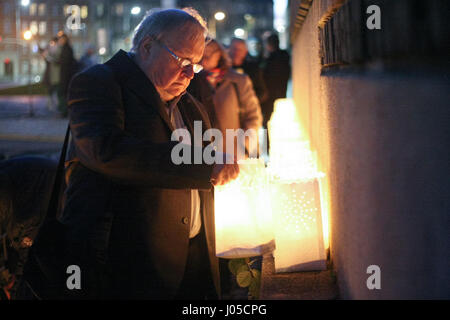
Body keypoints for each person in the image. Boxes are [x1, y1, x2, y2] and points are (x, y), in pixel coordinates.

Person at [58, 8, 239, 299]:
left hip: (192, 266)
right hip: (125, 271)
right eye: (182, 60)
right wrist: (204, 166)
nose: (190, 73)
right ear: (146, 47)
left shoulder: (191, 105)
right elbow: (107, 152)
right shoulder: (100, 83)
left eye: (196, 64)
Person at [196, 39, 263, 158]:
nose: (204, 58)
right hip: (208, 157)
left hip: (237, 154)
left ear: (219, 54)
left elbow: (253, 116)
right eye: (201, 53)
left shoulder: (238, 81)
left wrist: (243, 146)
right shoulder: (193, 82)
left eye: (209, 53)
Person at [261, 32, 291, 128]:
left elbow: (266, 76)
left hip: (269, 95)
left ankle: (267, 143)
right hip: (281, 93)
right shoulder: (285, 56)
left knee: (268, 121)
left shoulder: (269, 59)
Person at [228, 38, 267, 105]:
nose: (236, 52)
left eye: (239, 50)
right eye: (234, 49)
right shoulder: (223, 69)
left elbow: (262, 92)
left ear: (245, 52)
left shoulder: (253, 69)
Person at [56, 32, 78, 117]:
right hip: (66, 74)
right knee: (63, 93)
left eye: (61, 39)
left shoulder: (66, 49)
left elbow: (66, 62)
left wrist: (58, 61)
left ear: (64, 39)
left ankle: (64, 112)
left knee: (63, 94)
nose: (60, 41)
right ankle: (64, 111)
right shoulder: (66, 48)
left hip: (66, 75)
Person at [41, 37, 61, 112]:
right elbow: (46, 59)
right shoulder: (49, 50)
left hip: (55, 74)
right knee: (50, 90)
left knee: (55, 90)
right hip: (49, 74)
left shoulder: (57, 50)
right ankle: (50, 104)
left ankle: (54, 104)